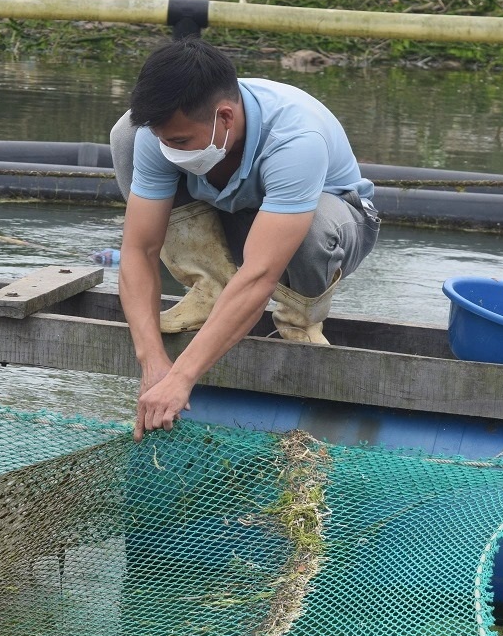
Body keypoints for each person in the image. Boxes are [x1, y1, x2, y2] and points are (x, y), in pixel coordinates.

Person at [111, 38, 379, 441]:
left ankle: (301, 318)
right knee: (124, 136)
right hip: (239, 215)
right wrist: (153, 364)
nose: (170, 149)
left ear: (225, 117)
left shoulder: (295, 138)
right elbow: (139, 249)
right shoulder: (157, 136)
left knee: (313, 227)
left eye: (181, 141)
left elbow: (259, 275)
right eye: (164, 139)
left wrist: (183, 375)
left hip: (332, 226)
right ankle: (210, 287)